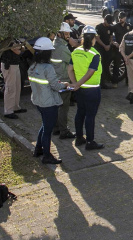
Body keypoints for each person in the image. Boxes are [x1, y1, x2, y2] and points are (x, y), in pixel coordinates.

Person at [28, 37, 73, 165]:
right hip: (49, 103)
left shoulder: (32, 67)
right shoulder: (48, 68)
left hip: (38, 101)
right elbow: (56, 86)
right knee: (47, 130)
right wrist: (65, 84)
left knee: (44, 125)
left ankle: (38, 149)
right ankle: (47, 156)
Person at [70, 26, 106, 150]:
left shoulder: (75, 51)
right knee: (90, 116)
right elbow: (90, 72)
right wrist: (78, 84)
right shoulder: (94, 54)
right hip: (92, 89)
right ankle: (90, 142)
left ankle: (79, 138)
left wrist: (75, 84)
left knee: (80, 112)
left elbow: (70, 69)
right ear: (94, 39)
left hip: (80, 89)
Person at [51, 22, 76, 139]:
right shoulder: (62, 48)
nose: (68, 35)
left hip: (55, 80)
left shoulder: (54, 44)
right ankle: (64, 131)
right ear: (59, 34)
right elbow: (72, 62)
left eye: (68, 33)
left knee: (56, 105)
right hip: (64, 80)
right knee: (63, 107)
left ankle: (56, 128)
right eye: (66, 33)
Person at [1, 39, 27, 119]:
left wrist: (20, 47)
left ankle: (15, 107)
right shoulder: (8, 39)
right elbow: (17, 50)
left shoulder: (15, 38)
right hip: (9, 65)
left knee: (17, 87)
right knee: (10, 88)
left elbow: (21, 48)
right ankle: (8, 111)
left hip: (15, 65)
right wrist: (20, 46)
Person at [95, 14, 118, 89]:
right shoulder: (98, 27)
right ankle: (101, 82)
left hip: (107, 49)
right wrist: (104, 46)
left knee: (106, 65)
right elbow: (97, 38)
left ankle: (105, 80)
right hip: (100, 48)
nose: (108, 24)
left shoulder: (110, 27)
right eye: (108, 22)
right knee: (100, 65)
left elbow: (111, 37)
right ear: (104, 20)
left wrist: (111, 43)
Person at [111, 11, 131, 85]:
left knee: (128, 65)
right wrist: (113, 42)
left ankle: (128, 82)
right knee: (116, 65)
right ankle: (115, 82)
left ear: (125, 18)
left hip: (127, 49)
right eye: (119, 17)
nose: (120, 19)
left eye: (122, 18)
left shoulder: (129, 26)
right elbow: (110, 36)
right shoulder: (115, 26)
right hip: (118, 48)